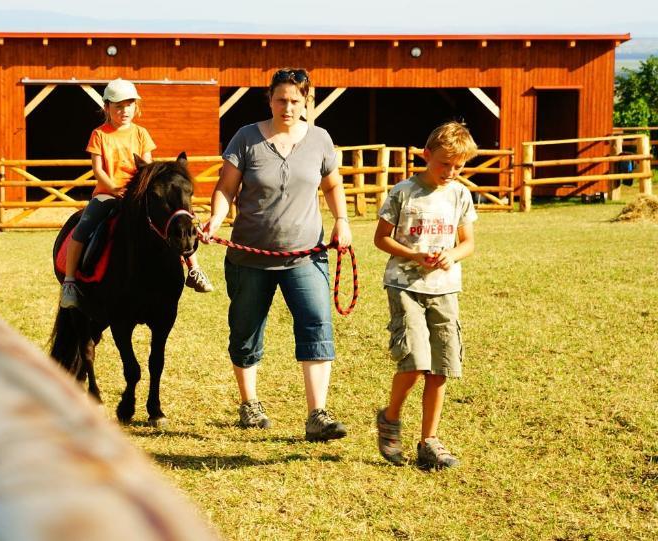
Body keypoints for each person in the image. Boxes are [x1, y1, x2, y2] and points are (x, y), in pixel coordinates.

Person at [200, 68, 352, 441]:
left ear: (306, 102)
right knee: (246, 330)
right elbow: (226, 188)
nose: (288, 107)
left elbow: (333, 185)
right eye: (281, 99)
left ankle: (317, 414)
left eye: (295, 101)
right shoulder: (246, 138)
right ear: (269, 99)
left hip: (306, 255)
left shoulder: (320, 139)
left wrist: (342, 221)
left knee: (317, 324)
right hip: (250, 259)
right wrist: (216, 219)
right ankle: (249, 403)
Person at [372, 121, 478, 470]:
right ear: (426, 155)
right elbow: (381, 238)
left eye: (458, 166)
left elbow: (468, 243)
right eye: (444, 163)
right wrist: (413, 254)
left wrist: (453, 254)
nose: (450, 172)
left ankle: (429, 441)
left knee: (441, 367)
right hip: (405, 286)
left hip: (444, 289)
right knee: (415, 361)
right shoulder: (403, 192)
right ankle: (390, 418)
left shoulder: (460, 194)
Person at [60, 78, 214, 309]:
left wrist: (144, 190)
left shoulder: (141, 133)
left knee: (176, 222)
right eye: (118, 106)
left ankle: (194, 269)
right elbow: (98, 169)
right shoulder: (99, 135)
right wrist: (113, 188)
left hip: (138, 193)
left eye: (129, 105)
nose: (124, 111)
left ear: (136, 107)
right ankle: (70, 282)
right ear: (107, 108)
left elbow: (148, 169)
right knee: (84, 227)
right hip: (107, 193)